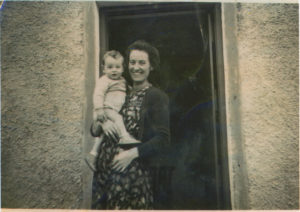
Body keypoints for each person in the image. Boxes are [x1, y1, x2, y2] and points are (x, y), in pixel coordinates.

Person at [91, 40, 170, 209]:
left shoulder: (157, 96)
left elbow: (163, 139)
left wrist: (131, 154)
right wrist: (102, 123)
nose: (136, 67)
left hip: (131, 174)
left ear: (151, 66)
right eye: (132, 62)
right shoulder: (120, 89)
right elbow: (95, 129)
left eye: (142, 63)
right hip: (104, 171)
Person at [86, 50, 138, 171]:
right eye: (110, 67)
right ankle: (124, 136)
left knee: (106, 134)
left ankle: (93, 154)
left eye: (117, 67)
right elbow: (98, 94)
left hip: (114, 110)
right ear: (103, 69)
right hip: (107, 109)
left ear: (122, 68)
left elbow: (126, 90)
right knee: (118, 119)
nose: (114, 70)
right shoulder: (104, 80)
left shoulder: (122, 81)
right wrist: (99, 110)